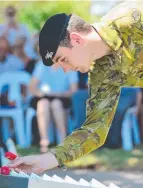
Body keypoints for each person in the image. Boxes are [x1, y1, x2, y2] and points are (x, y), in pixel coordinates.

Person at [8, 1, 143, 174]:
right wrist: (46, 160)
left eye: (62, 59)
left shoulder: (131, 18)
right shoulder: (100, 72)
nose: (65, 69)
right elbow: (95, 129)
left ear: (77, 39)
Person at [29, 60, 78, 153]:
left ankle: (63, 140)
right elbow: (32, 86)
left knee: (56, 104)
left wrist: (58, 94)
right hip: (43, 97)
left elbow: (73, 90)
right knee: (42, 104)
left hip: (62, 97)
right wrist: (39, 93)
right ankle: (44, 141)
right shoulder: (42, 65)